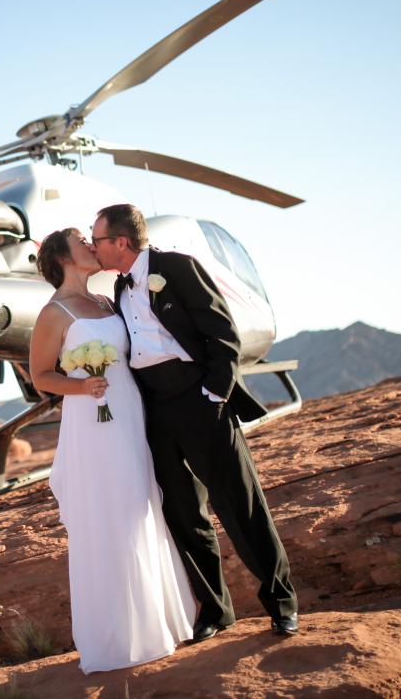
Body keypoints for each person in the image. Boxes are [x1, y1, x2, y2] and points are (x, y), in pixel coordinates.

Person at [90, 203, 299, 640]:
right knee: (183, 512)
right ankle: (216, 610)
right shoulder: (118, 290)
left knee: (239, 504)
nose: (94, 247)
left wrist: (214, 394)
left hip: (200, 401)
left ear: (121, 242)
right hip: (155, 411)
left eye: (98, 240)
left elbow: (222, 333)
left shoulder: (177, 267)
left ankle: (281, 603)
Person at [29, 227, 195, 674]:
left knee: (140, 505)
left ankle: (153, 622)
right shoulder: (54, 313)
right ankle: (118, 637)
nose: (91, 245)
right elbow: (41, 375)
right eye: (82, 242)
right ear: (64, 257)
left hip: (130, 415)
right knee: (109, 513)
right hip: (92, 424)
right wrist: (81, 386)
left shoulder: (107, 302)